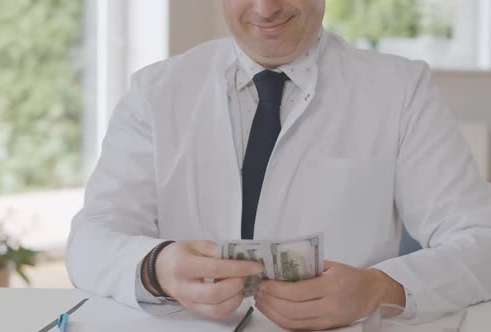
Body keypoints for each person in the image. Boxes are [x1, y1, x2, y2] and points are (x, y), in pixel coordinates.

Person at [66, 0, 491, 330]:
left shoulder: (401, 90)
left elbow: (481, 243)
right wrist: (154, 267)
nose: (266, 8)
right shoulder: (155, 92)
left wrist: (381, 288)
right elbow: (89, 240)